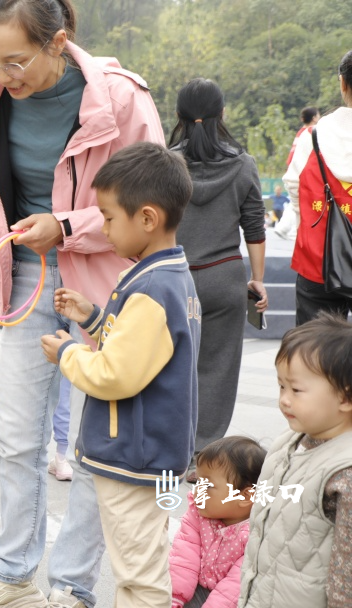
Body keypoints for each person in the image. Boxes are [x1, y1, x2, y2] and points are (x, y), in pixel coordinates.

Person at [0, 1, 164, 606]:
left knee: (95, 442)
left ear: (57, 42)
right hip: (26, 278)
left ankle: (73, 586)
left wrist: (68, 226)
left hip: (108, 284)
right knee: (17, 437)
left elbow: (153, 204)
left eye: (15, 61)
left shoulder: (122, 98)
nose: (2, 75)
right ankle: (11, 575)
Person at [41, 142, 200, 607]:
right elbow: (141, 351)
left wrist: (68, 352)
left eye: (109, 218)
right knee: (141, 562)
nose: (104, 229)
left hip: (136, 458)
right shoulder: (168, 276)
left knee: (139, 573)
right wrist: (93, 319)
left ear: (147, 218)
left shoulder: (152, 287)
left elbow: (115, 375)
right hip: (153, 454)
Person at [169, 78, 267, 462]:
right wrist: (257, 279)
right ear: (222, 114)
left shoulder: (165, 163)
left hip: (174, 278)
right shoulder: (243, 164)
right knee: (218, 369)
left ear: (178, 116)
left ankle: (171, 447)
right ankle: (203, 453)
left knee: (169, 364)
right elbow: (254, 227)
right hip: (225, 277)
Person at [240, 314, 352, 607]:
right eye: (281, 386)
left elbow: (346, 577)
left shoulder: (344, 471)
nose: (284, 399)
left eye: (296, 390)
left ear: (345, 398)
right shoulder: (288, 442)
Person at [283, 50, 352, 324]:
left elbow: (293, 184)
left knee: (316, 345)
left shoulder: (313, 137)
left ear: (342, 83)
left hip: (319, 259)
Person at [169, 436, 265, 608]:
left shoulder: (257, 534)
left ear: (245, 496)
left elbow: (235, 586)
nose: (197, 491)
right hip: (193, 584)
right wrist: (174, 597)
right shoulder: (199, 513)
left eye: (207, 486)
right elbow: (184, 557)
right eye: (198, 482)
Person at [275, 107, 321, 240]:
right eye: (318, 115)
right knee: (300, 200)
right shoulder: (311, 132)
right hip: (302, 169)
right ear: (314, 118)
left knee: (296, 200)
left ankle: (284, 227)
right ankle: (292, 230)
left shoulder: (301, 132)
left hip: (294, 168)